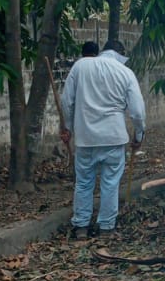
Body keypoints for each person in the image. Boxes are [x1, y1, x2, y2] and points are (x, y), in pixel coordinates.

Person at [60, 39, 146, 237]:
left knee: (83, 182)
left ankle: (81, 226)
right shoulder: (125, 72)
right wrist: (139, 134)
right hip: (114, 137)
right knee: (110, 183)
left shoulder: (80, 66)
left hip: (85, 137)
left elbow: (66, 101)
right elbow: (137, 112)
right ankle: (106, 227)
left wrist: (67, 127)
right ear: (120, 54)